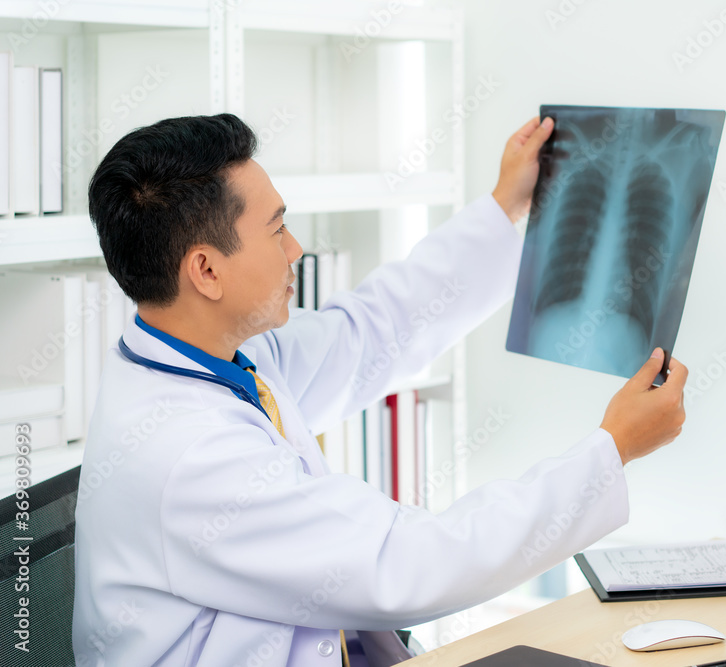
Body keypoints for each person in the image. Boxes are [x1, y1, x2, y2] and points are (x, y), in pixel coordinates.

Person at [72, 112, 688, 667]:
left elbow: (373, 332)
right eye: (277, 230)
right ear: (206, 270)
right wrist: (612, 449)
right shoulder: (191, 457)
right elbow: (410, 564)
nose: (296, 249)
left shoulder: (219, 354)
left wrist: (506, 206)